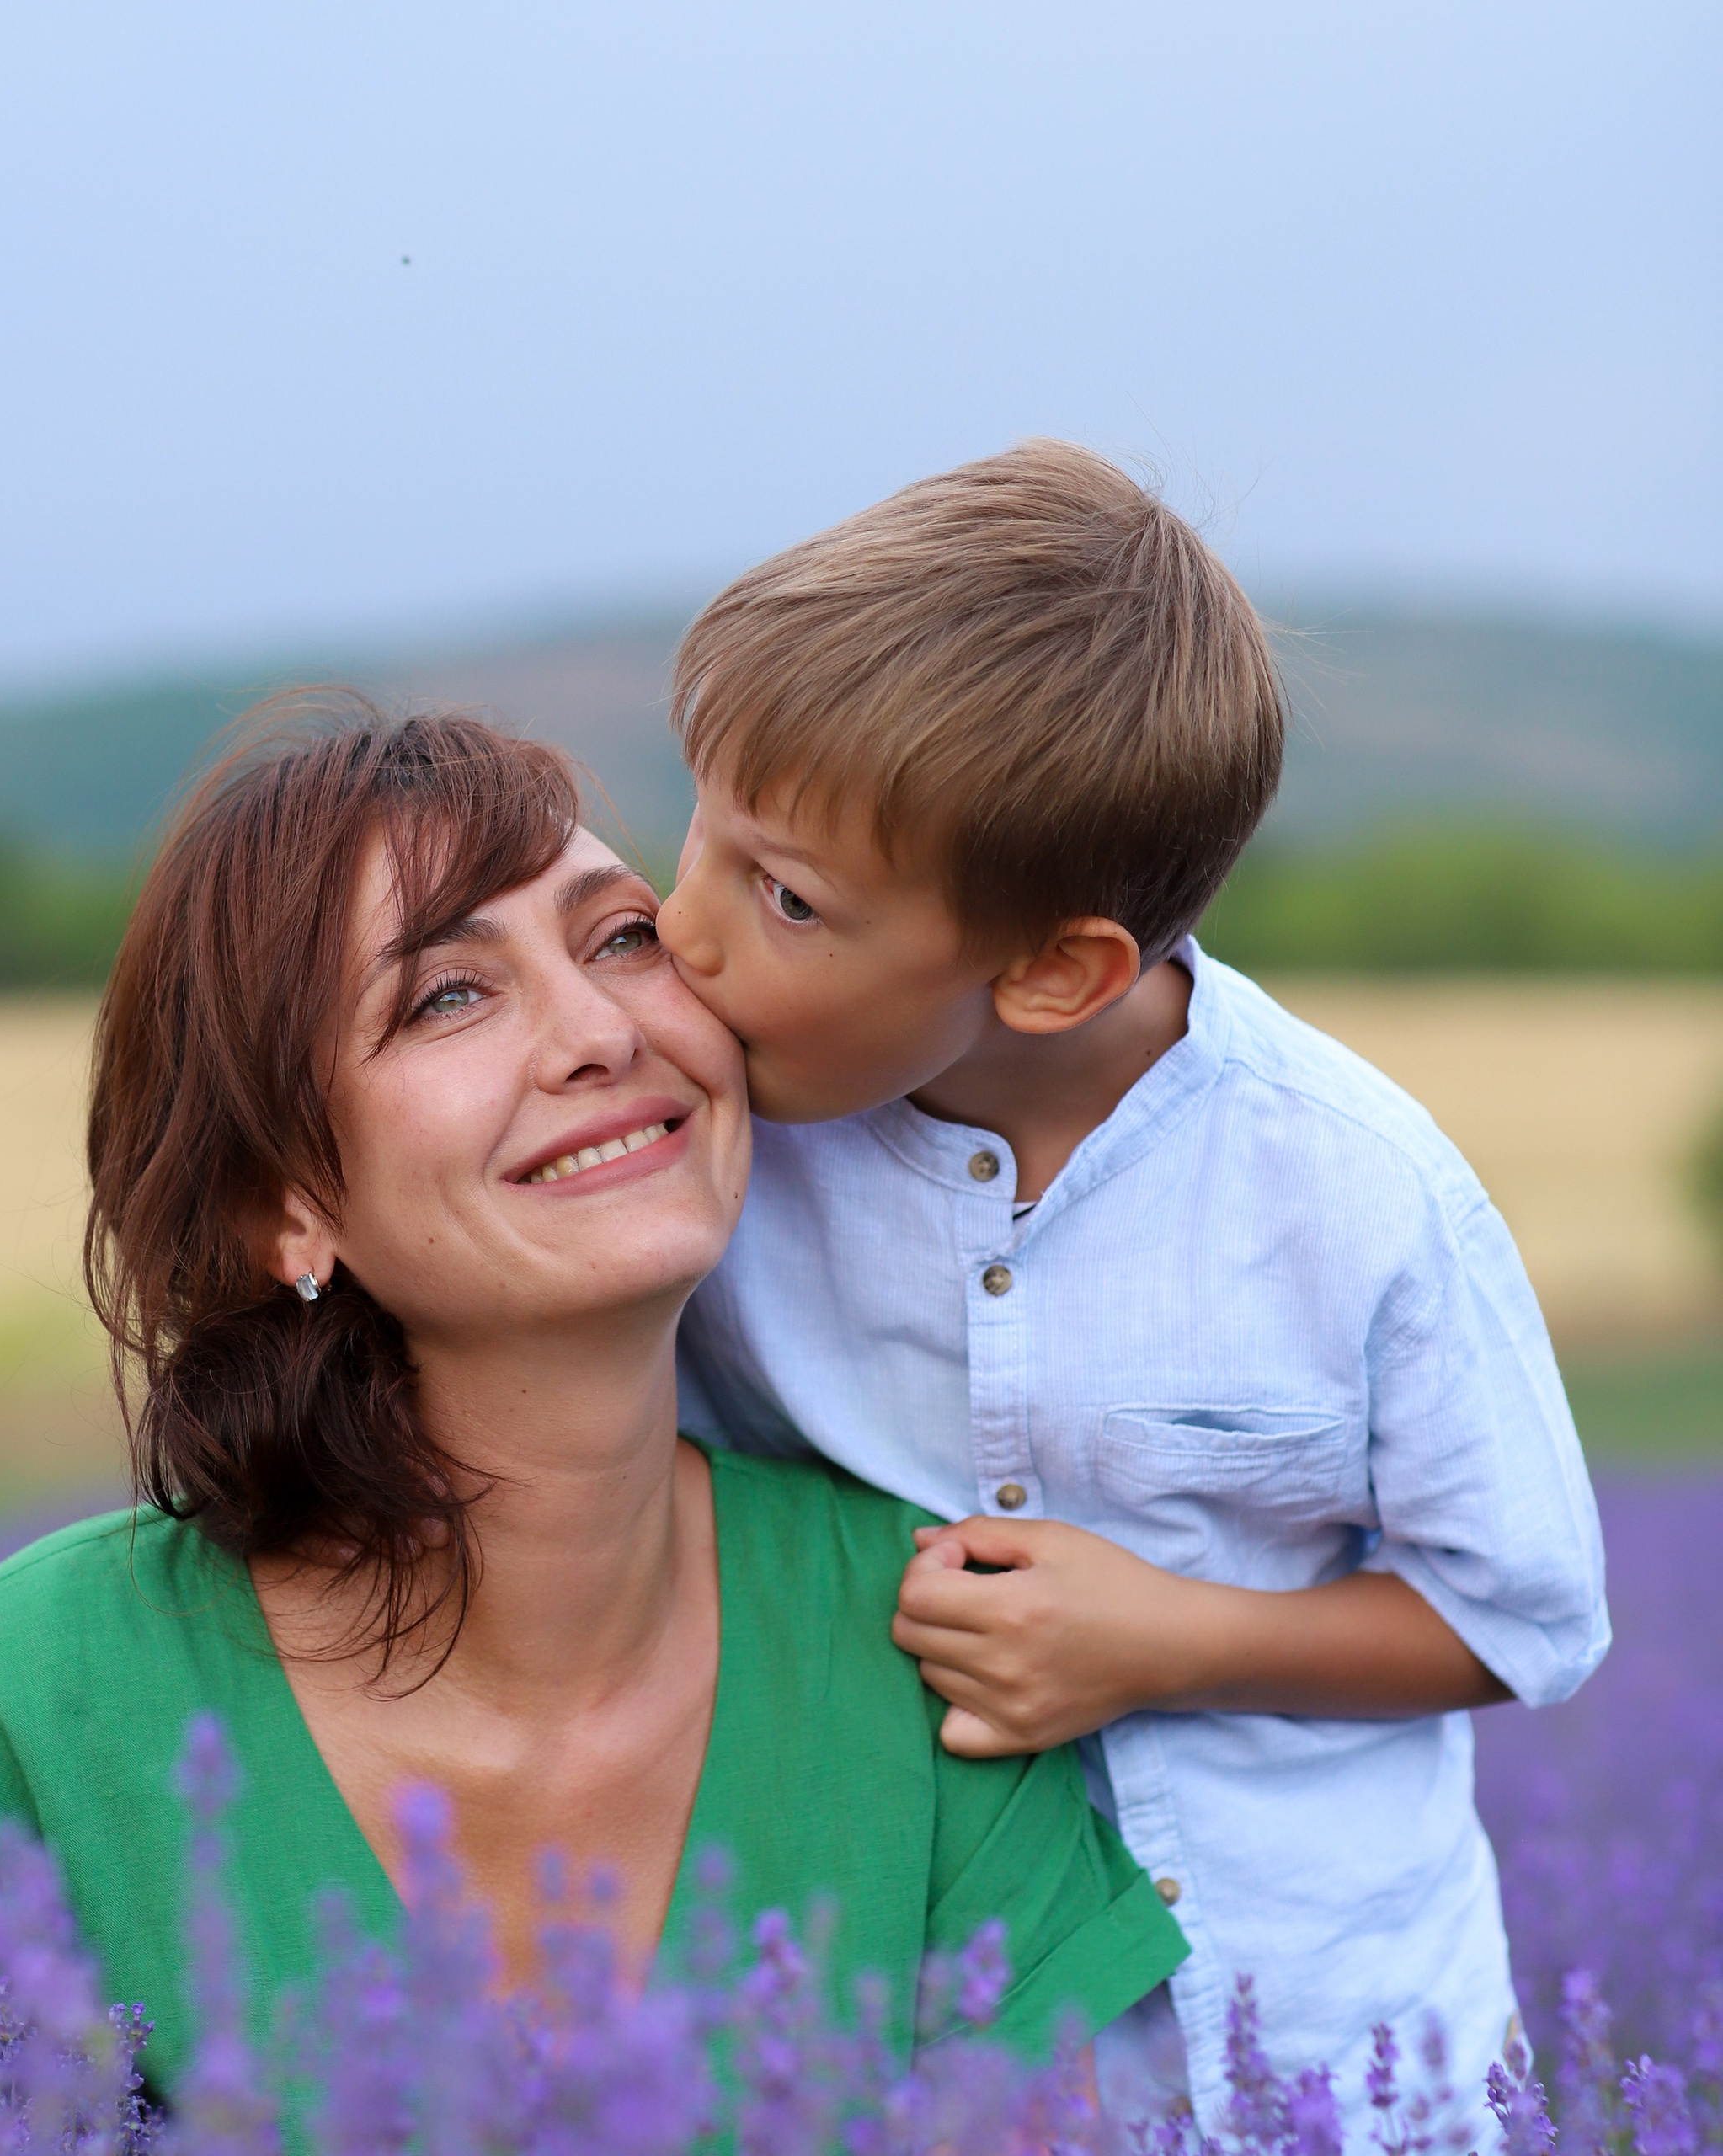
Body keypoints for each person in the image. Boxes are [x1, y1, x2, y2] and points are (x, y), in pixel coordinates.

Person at [0, 706, 1187, 2095]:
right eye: (448, 996)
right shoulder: (34, 1708)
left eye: (621, 939)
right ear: (279, 1205)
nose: (599, 1034)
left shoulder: (922, 1630)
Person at [657, 443, 1611, 2137]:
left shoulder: (1352, 1188)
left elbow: (1521, 1613)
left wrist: (1165, 1637)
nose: (685, 929)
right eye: (705, 837)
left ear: (1051, 969)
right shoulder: (717, 1139)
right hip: (917, 2050)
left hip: (1325, 2040)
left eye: (785, 896)